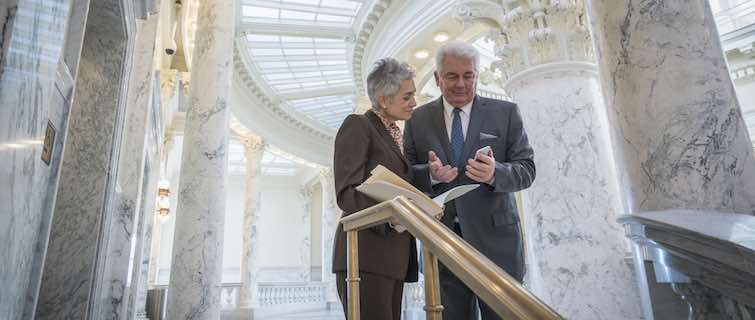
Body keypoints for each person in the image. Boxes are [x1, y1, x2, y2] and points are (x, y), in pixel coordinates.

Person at [403, 41, 536, 320]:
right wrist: (428, 175)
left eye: (469, 75)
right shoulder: (417, 120)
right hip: (441, 243)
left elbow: (526, 170)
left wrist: (494, 173)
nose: (461, 84)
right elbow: (405, 176)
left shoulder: (506, 113)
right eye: (452, 76)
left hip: (497, 245)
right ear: (438, 78)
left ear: (476, 74)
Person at [331, 58, 419, 320]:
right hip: (365, 254)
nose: (414, 102)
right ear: (383, 99)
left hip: (392, 257)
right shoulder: (358, 125)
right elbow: (347, 192)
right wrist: (391, 215)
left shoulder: (393, 133)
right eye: (407, 96)